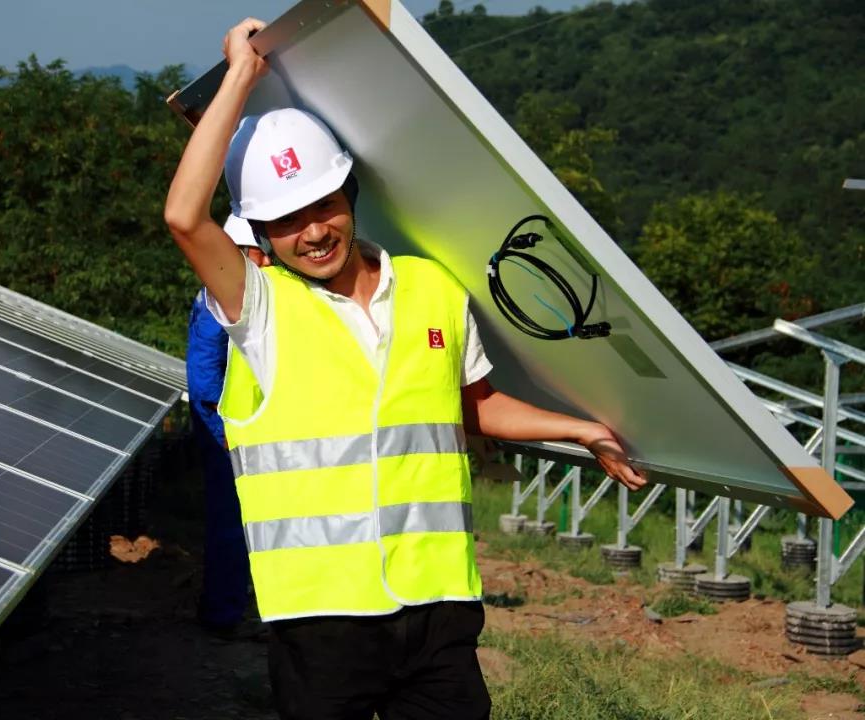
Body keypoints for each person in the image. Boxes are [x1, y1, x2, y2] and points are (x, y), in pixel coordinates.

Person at [165, 18, 647, 719]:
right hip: (320, 617)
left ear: (350, 195)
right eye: (287, 220)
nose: (314, 231)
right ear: (260, 234)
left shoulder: (431, 287)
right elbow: (185, 217)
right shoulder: (260, 307)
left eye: (324, 205)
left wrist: (579, 429)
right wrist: (241, 74)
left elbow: (472, 404)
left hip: (437, 607)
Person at [186, 214, 269, 639]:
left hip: (240, 430)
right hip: (227, 434)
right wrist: (225, 437)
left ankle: (232, 607)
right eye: (259, 253)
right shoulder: (216, 303)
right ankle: (222, 615)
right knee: (231, 526)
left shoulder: (233, 297)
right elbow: (204, 380)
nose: (266, 262)